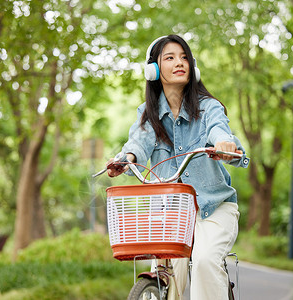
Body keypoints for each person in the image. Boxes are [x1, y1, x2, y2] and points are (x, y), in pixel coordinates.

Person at [107, 34, 249, 300]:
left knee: (205, 260)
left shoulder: (209, 108)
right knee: (166, 275)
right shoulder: (147, 114)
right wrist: (126, 159)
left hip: (214, 207)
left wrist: (223, 144)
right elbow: (138, 142)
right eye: (170, 58)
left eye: (184, 57)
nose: (179, 62)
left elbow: (220, 130)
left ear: (193, 67)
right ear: (154, 70)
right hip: (170, 212)